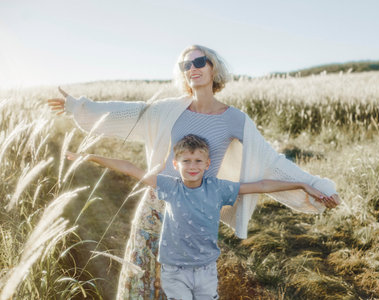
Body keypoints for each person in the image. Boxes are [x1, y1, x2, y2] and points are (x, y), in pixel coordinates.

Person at [48, 45, 340, 299]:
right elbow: (128, 113)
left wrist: (312, 185)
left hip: (198, 212)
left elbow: (271, 162)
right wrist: (78, 106)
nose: (193, 68)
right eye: (186, 65)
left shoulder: (235, 119)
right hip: (156, 207)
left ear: (214, 68)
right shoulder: (169, 109)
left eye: (200, 62)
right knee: (143, 281)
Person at [66, 134, 335, 299]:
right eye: (186, 161)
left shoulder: (218, 189)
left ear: (208, 164)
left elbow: (262, 185)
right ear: (176, 165)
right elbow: (129, 168)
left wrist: (302, 185)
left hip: (206, 268)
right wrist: (89, 156)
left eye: (198, 161)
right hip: (174, 269)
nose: (192, 167)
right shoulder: (169, 187)